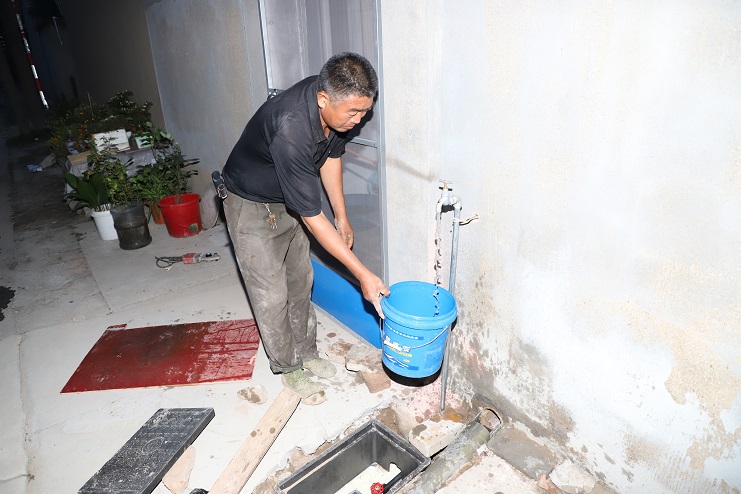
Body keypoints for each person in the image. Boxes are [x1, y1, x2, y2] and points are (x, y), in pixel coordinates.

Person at [221, 52, 389, 400]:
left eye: (364, 111)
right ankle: (288, 367)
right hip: (250, 202)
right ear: (323, 99)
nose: (359, 120)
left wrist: (341, 216)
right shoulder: (291, 127)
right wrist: (363, 274)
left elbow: (330, 158)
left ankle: (308, 353)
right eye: (353, 112)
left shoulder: (335, 114)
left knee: (300, 280)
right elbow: (312, 218)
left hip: (288, 198)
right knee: (271, 294)